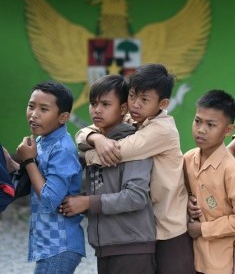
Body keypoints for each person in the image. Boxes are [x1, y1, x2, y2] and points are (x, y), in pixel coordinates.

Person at [75, 64, 194, 273]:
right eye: (132, 96)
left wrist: (89, 152)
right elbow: (84, 132)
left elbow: (117, 152)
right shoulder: (135, 120)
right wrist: (96, 137)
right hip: (144, 227)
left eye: (145, 100)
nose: (135, 105)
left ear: (162, 103)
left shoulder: (161, 129)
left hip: (169, 228)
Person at [59, 75, 156, 274]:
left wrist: (87, 203)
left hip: (132, 247)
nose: (97, 109)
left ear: (122, 109)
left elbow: (136, 197)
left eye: (105, 104)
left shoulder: (134, 144)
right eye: (93, 103)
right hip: (107, 246)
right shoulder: (96, 142)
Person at [15, 81, 85, 273]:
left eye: (43, 109)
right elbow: (32, 180)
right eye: (31, 106)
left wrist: (29, 161)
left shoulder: (62, 149)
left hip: (60, 245)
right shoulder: (43, 140)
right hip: (49, 244)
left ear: (63, 117)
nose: (34, 114)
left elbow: (50, 199)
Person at [184, 89, 235, 274]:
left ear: (228, 130)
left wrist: (202, 229)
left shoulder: (231, 169)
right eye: (197, 121)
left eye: (211, 124)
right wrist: (188, 203)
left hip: (221, 262)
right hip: (192, 255)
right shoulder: (188, 159)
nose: (201, 129)